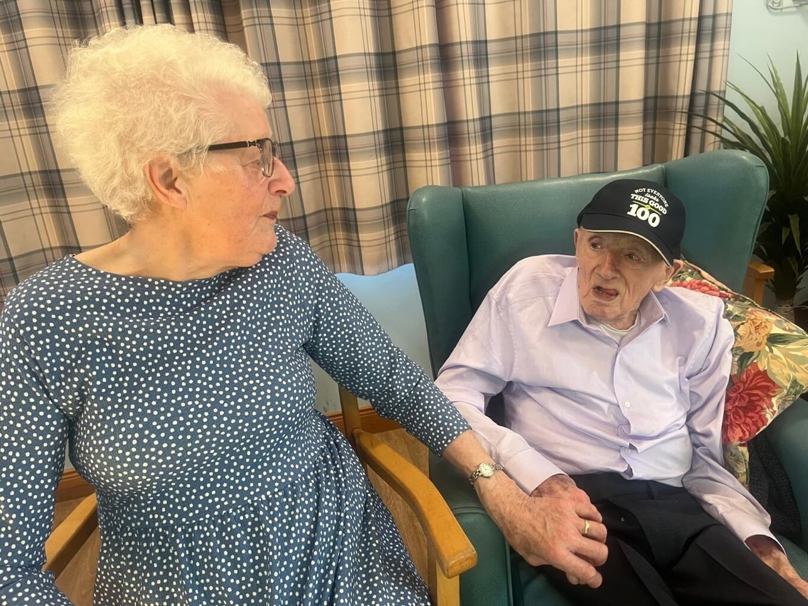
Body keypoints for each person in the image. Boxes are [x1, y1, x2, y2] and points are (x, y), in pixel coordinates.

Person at [0, 25, 607, 605]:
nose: (285, 180)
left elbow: (395, 382)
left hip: (347, 570)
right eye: (256, 157)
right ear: (169, 179)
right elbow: (11, 569)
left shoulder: (281, 263)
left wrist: (499, 491)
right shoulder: (45, 321)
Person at [435, 179, 808, 605]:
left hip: (678, 505)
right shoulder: (526, 290)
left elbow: (706, 458)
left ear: (667, 272)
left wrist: (756, 541)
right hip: (575, 502)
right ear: (576, 242)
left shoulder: (702, 327)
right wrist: (535, 473)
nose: (606, 268)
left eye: (633, 255)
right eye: (596, 245)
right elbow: (452, 394)